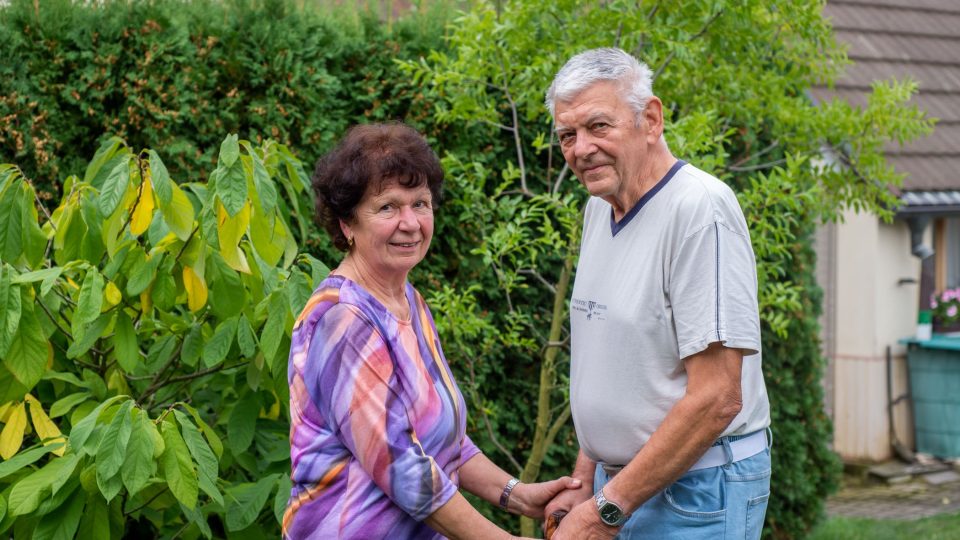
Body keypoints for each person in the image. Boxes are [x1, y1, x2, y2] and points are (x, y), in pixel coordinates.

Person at [283, 123, 581, 539]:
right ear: (347, 224)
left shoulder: (408, 300)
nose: (410, 223)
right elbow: (402, 467)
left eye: (420, 203)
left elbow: (442, 436)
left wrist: (518, 495)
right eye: (387, 207)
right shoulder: (342, 319)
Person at [542, 48, 772, 539]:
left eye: (598, 126)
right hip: (622, 485)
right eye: (567, 135)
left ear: (650, 119)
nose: (580, 149)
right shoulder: (598, 210)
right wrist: (586, 481)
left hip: (699, 490)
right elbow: (614, 369)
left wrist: (607, 509)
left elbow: (717, 397)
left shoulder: (699, 210)